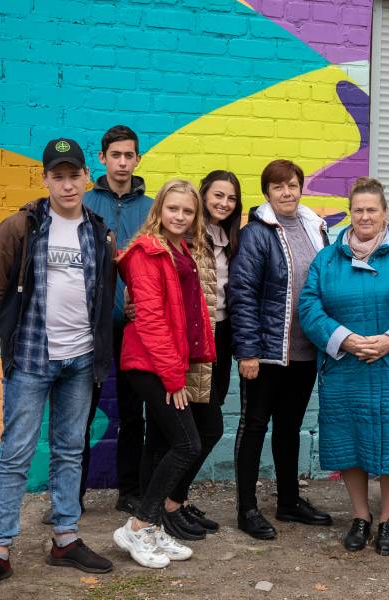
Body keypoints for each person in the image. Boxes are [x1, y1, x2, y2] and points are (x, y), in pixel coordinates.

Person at [0, 138, 115, 594]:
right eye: (58, 176)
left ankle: (65, 539)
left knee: (71, 450)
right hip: (31, 359)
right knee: (15, 456)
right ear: (45, 179)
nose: (68, 184)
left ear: (87, 177)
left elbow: (102, 293)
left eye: (75, 175)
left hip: (81, 359)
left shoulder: (97, 229)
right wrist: (15, 335)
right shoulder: (22, 227)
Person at [299, 177, 389, 555]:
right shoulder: (328, 259)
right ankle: (360, 516)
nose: (364, 216)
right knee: (349, 443)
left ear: (385, 213)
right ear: (350, 213)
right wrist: (344, 338)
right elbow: (309, 307)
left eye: (371, 209)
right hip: (345, 366)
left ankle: (388, 518)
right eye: (357, 210)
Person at [112, 180, 216, 568]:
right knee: (187, 444)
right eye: (173, 209)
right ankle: (138, 526)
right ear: (159, 211)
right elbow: (152, 321)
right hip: (150, 364)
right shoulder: (146, 253)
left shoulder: (180, 248)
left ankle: (153, 526)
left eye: (188, 211)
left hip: (169, 361)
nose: (180, 216)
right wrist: (173, 378)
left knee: (158, 445)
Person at [228, 159, 332, 540]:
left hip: (304, 351)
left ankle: (288, 501)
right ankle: (247, 509)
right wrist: (248, 352)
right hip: (267, 353)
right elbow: (242, 294)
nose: (287, 192)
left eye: (292, 185)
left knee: (290, 427)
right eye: (278, 187)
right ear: (267, 193)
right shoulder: (257, 234)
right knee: (254, 425)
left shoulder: (315, 228)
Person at [141, 170, 243, 541]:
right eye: (217, 195)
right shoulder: (182, 240)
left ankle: (173, 502)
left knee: (200, 428)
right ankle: (159, 508)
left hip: (213, 345)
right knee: (176, 434)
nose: (223, 204)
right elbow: (154, 298)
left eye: (231, 198)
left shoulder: (230, 240)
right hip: (182, 350)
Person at [80, 125, 153, 516]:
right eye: (116, 155)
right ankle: (71, 495)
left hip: (136, 329)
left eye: (129, 155)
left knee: (132, 411)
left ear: (138, 159)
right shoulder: (85, 203)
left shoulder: (151, 208)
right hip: (90, 327)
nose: (122, 162)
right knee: (79, 411)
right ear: (102, 158)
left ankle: (130, 491)